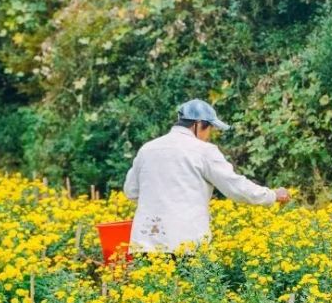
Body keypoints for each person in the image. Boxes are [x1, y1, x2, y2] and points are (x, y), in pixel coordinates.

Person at [123, 99, 290, 254]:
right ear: (198, 124)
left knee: (153, 286)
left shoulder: (147, 149)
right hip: (184, 244)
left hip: (145, 244)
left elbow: (131, 191)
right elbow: (236, 187)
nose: (209, 134)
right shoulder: (203, 151)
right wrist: (273, 195)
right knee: (187, 286)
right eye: (210, 128)